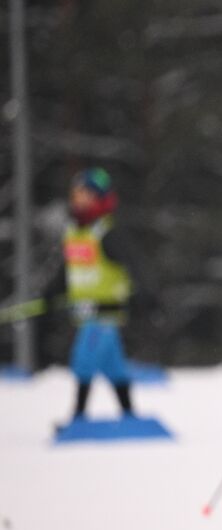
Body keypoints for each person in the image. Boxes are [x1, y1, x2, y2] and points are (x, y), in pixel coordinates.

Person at [45, 167, 146, 425]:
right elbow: (68, 270)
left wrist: (143, 292)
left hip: (105, 311)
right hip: (85, 311)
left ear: (99, 198)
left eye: (85, 194)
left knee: (84, 360)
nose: (78, 199)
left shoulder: (106, 233)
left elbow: (134, 263)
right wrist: (52, 292)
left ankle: (79, 417)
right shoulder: (75, 233)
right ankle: (130, 416)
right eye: (76, 193)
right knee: (113, 366)